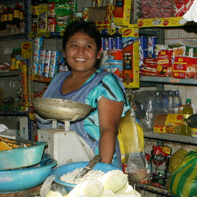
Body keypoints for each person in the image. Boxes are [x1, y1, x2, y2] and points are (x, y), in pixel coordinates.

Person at [38, 20, 129, 167]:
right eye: (74, 45)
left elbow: (108, 132)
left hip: (92, 169)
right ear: (64, 51)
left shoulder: (105, 83)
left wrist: (102, 174)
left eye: (88, 46)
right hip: (56, 164)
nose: (81, 51)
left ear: (98, 52)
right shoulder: (58, 79)